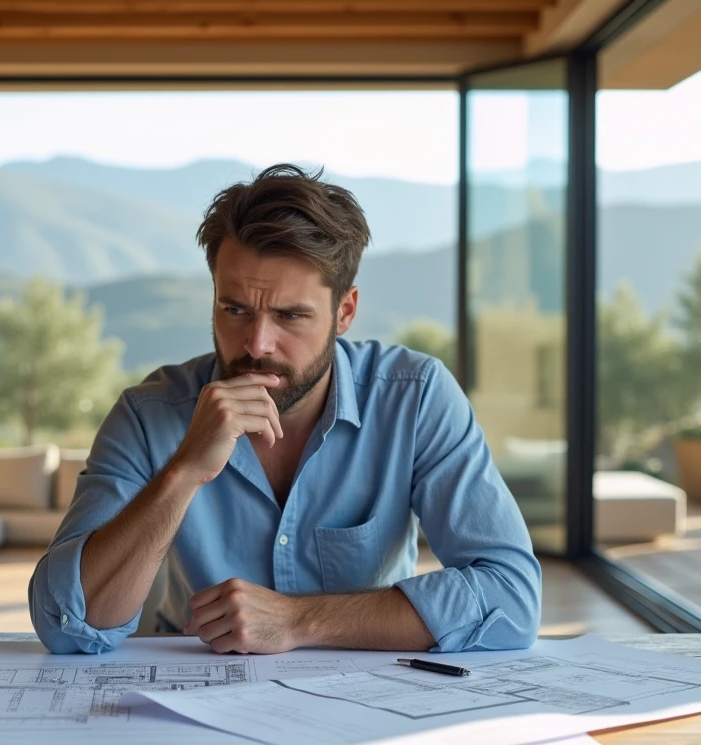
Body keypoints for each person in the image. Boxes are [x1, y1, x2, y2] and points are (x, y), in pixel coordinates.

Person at [29, 164, 541, 656]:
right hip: (188, 686)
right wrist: (184, 472)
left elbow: (511, 598)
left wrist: (299, 620)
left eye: (290, 315)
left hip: (367, 694)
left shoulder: (416, 397)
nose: (256, 344)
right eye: (234, 310)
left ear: (345, 312)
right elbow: (66, 628)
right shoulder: (149, 414)